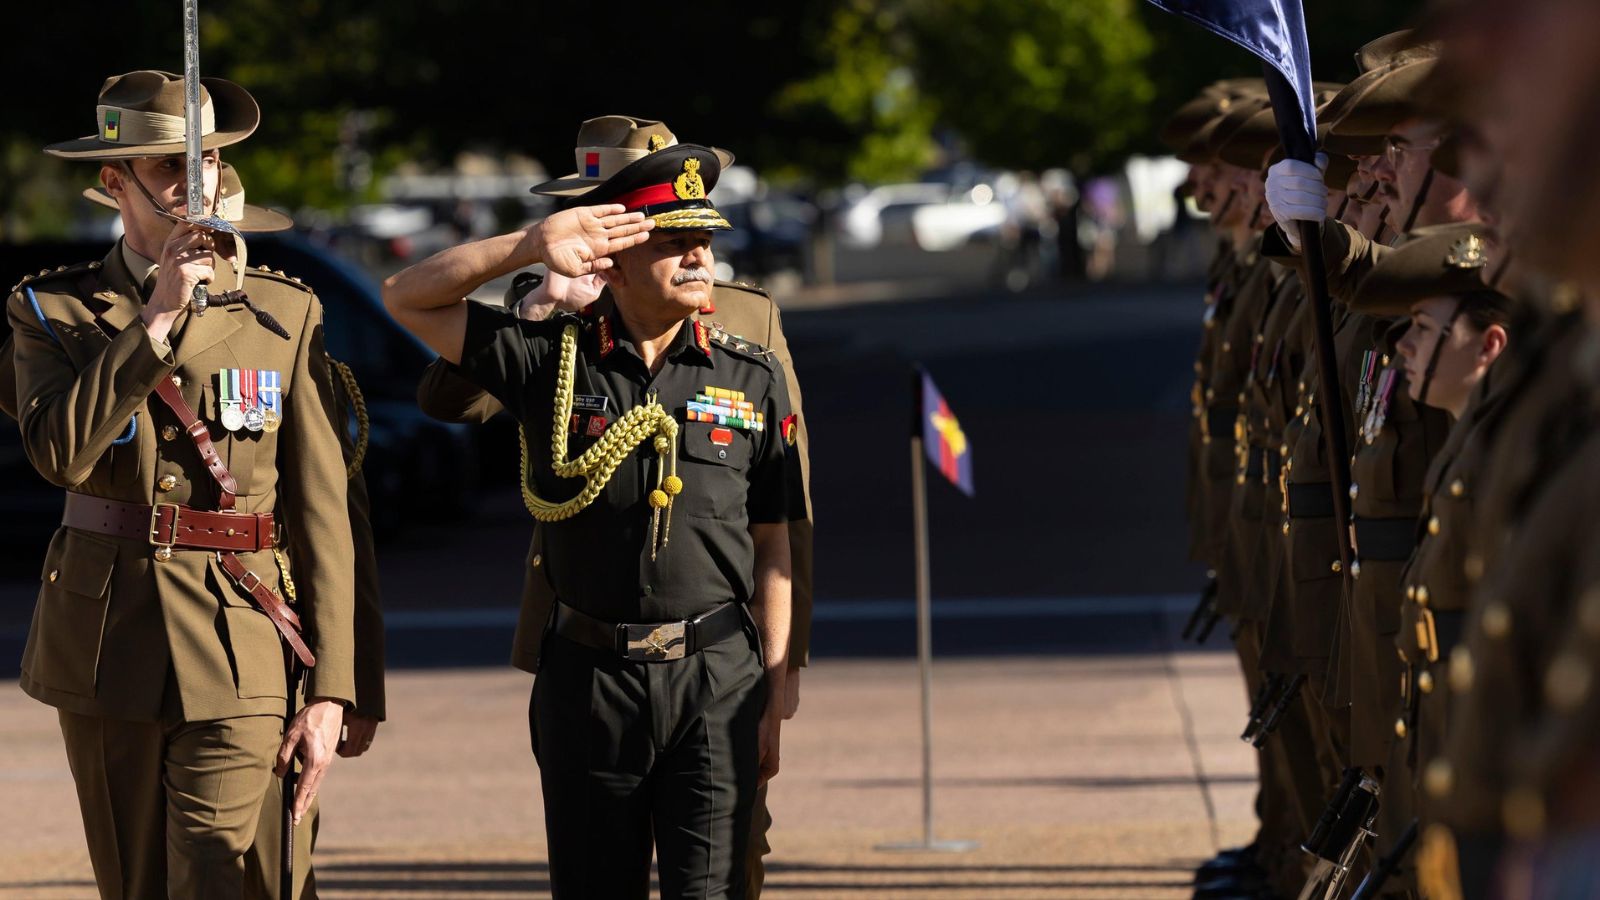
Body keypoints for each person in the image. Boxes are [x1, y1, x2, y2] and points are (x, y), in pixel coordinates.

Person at [382, 126, 798, 897]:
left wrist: (777, 685)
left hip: (716, 677)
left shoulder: (752, 376)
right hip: (590, 675)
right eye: (675, 242)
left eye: (704, 240)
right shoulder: (550, 355)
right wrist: (532, 247)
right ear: (614, 257)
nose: (701, 258)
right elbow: (406, 296)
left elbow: (776, 544)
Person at [8, 70, 355, 898]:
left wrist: (337, 686)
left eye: (204, 164)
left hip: (241, 632)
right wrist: (157, 318)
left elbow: (323, 509)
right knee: (137, 882)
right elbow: (61, 454)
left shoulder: (279, 311)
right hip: (105, 637)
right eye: (167, 168)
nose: (190, 185)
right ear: (113, 182)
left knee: (218, 862)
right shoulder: (50, 311)